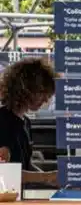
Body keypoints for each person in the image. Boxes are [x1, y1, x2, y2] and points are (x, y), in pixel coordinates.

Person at [0, 56, 58, 187]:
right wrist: (46, 176)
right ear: (26, 89)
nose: (46, 100)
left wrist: (51, 179)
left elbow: (26, 165)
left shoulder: (26, 122)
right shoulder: (2, 122)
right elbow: (6, 172)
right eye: (43, 93)